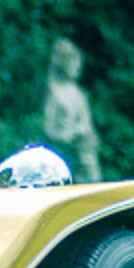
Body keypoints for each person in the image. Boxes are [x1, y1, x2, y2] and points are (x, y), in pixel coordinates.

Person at [43, 37, 101, 183]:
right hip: (65, 150)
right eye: (73, 62)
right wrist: (71, 136)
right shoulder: (54, 93)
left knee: (90, 168)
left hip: (83, 149)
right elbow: (49, 129)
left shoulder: (79, 94)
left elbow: (87, 125)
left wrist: (87, 136)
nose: (77, 67)